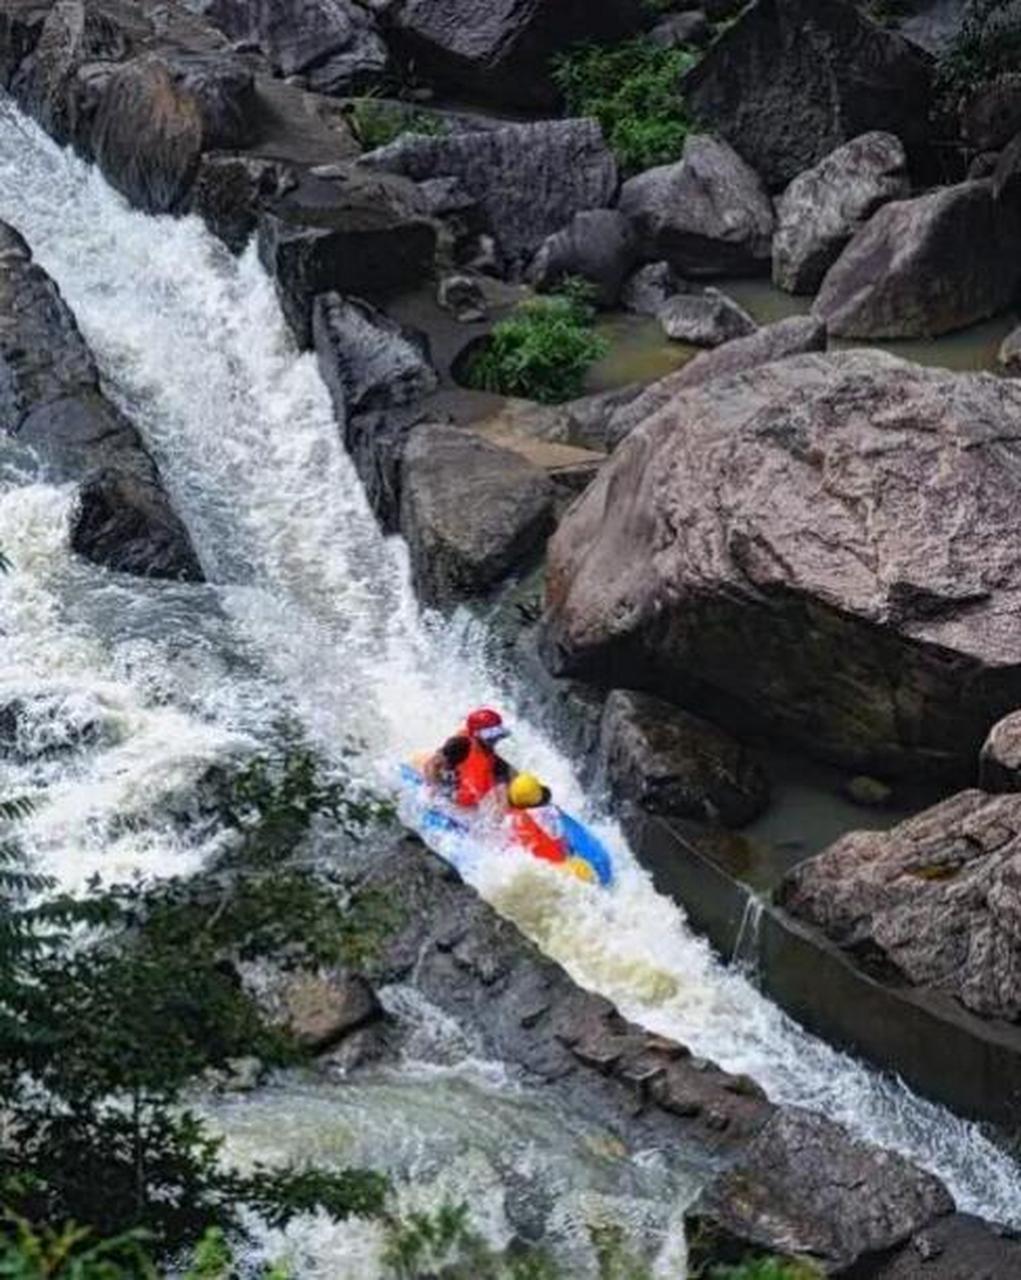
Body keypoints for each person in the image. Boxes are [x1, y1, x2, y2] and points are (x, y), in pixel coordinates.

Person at [423, 707, 513, 809]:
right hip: (446, 788)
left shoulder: (498, 761)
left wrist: (499, 816)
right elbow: (431, 765)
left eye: (496, 734)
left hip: (466, 798)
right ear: (476, 735)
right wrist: (433, 793)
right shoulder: (459, 745)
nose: (494, 739)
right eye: (489, 735)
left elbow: (502, 797)